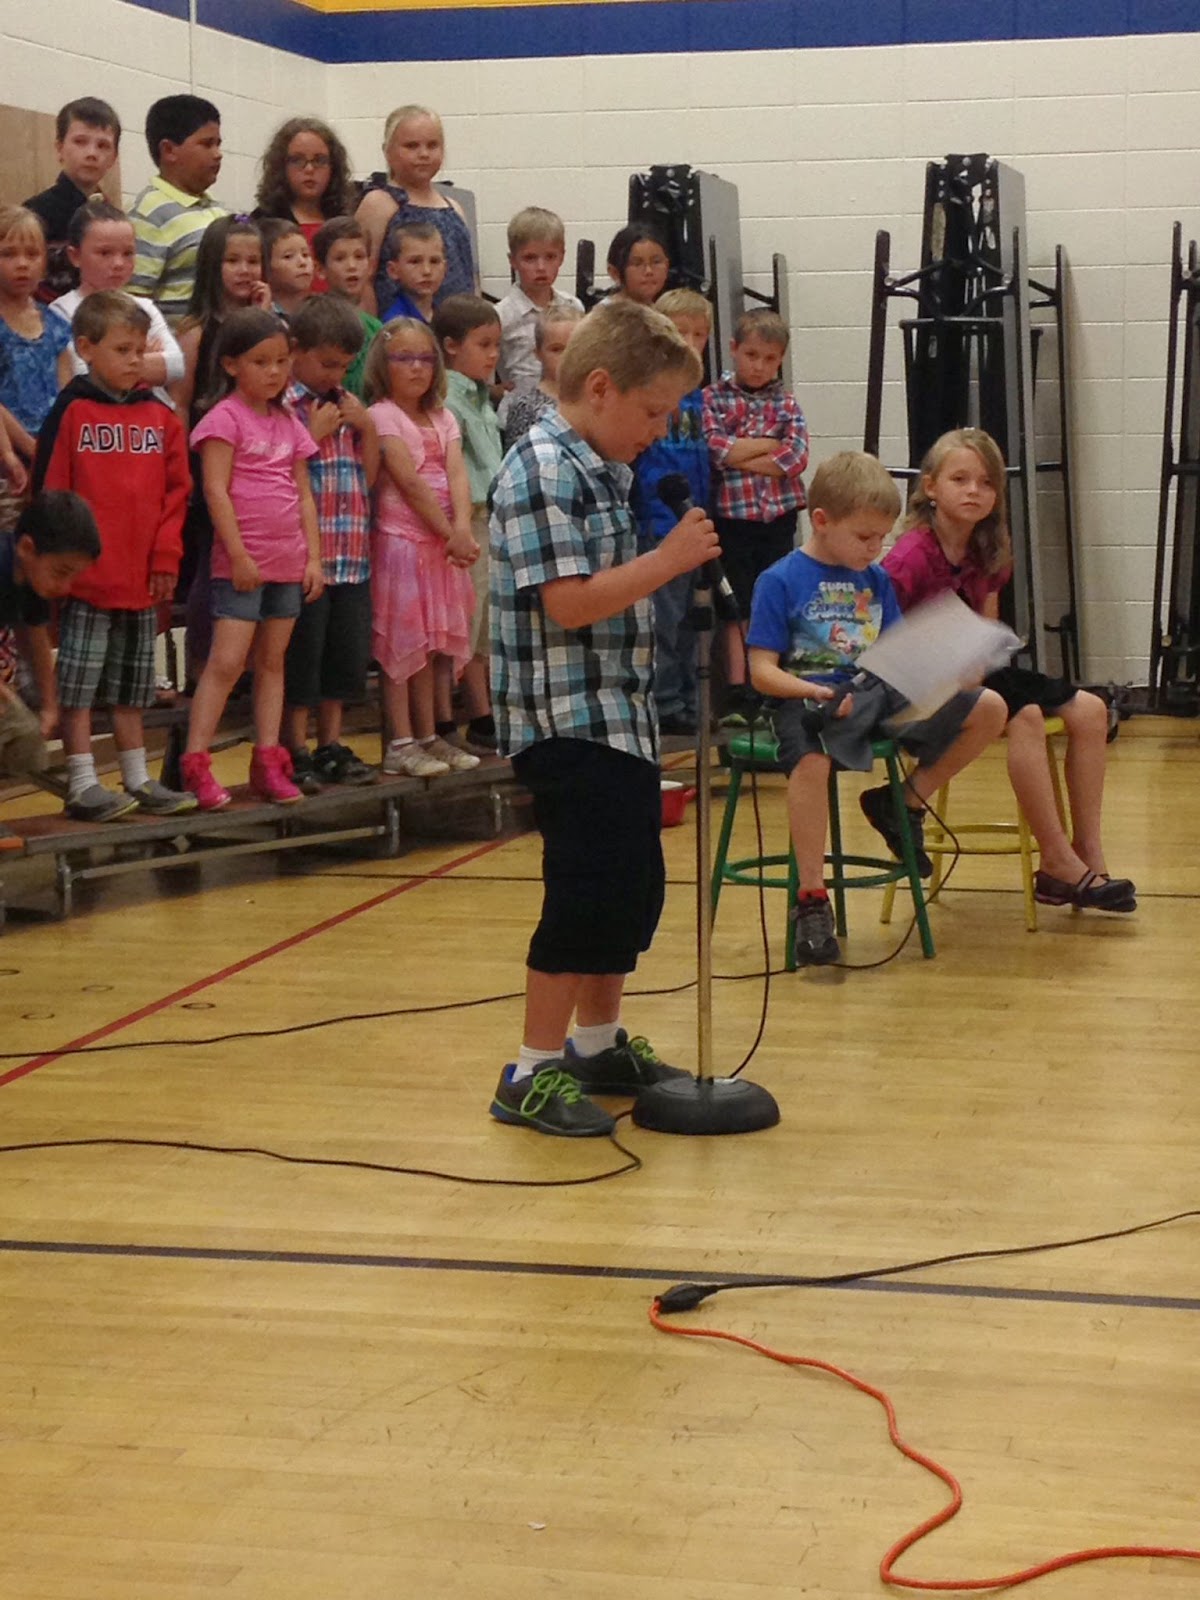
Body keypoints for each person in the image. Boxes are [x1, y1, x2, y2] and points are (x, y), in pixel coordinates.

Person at [488, 297, 720, 1136]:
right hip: (565, 718)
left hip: (617, 713)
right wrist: (668, 561)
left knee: (629, 884)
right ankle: (531, 1070)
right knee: (585, 889)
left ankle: (595, 1042)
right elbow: (570, 604)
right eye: (652, 412)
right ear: (598, 387)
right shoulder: (544, 467)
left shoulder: (600, 466)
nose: (658, 432)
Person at [746, 452, 1008, 966]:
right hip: (807, 697)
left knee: (989, 708)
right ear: (821, 521)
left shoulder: (875, 579)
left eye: (881, 537)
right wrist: (814, 691)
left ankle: (902, 801)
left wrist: (945, 663)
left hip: (874, 692)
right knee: (812, 759)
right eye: (864, 537)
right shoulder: (780, 580)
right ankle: (811, 897)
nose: (875, 549)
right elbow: (761, 671)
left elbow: (892, 654)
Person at [883, 426, 1136, 913]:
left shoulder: (987, 547)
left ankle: (1088, 853)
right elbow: (884, 636)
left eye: (986, 482)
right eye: (960, 479)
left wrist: (978, 658)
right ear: (930, 486)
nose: (974, 491)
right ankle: (1057, 861)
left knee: (1090, 711)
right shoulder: (910, 556)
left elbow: (987, 623)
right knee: (1028, 717)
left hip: (971, 669)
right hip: (921, 680)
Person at [33, 291, 195, 823]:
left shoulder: (160, 415)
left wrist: (166, 556)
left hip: (142, 578)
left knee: (132, 688)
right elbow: (51, 494)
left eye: (141, 350)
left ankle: (137, 777)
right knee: (79, 689)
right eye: (123, 350)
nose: (135, 361)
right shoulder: (72, 412)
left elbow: (177, 494)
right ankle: (82, 783)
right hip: (86, 582)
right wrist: (60, 568)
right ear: (86, 349)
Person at [180, 308, 322, 810]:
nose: (274, 371)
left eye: (282, 361)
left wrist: (313, 558)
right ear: (231, 364)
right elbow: (215, 491)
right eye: (261, 362)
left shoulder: (290, 422)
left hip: (288, 561)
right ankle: (196, 763)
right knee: (226, 662)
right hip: (244, 565)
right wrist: (238, 553)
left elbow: (303, 494)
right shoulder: (223, 419)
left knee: (272, 662)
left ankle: (267, 759)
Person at [363, 316, 477, 778]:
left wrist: (462, 527)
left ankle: (429, 735)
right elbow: (408, 483)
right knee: (401, 648)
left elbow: (457, 474)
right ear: (382, 364)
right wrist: (451, 534)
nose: (416, 367)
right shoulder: (381, 416)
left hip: (440, 547)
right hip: (403, 545)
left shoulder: (444, 417)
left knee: (430, 648)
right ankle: (401, 742)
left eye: (425, 358)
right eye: (404, 358)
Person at [281, 295, 379, 790]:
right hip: (308, 558)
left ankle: (331, 743)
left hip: (351, 554)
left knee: (344, 656)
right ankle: (294, 747)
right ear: (296, 350)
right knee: (304, 657)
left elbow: (369, 477)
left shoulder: (346, 404)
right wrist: (312, 435)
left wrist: (368, 428)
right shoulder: (286, 407)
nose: (334, 374)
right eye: (326, 363)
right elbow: (279, 473)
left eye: (343, 365)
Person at [702, 306, 809, 725]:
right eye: (751, 355)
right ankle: (738, 687)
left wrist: (740, 452)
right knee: (737, 602)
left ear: (780, 358)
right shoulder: (713, 398)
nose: (759, 366)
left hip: (777, 518)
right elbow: (715, 450)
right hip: (732, 518)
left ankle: (771, 685)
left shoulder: (787, 403)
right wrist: (767, 444)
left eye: (769, 358)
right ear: (733, 348)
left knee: (774, 600)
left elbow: (795, 458)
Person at [630, 287, 712, 734]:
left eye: (700, 335)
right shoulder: (650, 395)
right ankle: (663, 700)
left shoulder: (701, 399)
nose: (691, 343)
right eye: (682, 333)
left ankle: (689, 698)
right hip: (659, 523)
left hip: (696, 518)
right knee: (663, 617)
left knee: (691, 619)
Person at [0, 491, 100, 848]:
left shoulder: (29, 580)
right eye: (61, 573)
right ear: (27, 548)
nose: (64, 587)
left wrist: (50, 706)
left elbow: (37, 641)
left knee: (27, 742)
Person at [433, 293, 503, 754]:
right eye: (484, 345)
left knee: (483, 626)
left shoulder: (480, 396)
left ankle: (483, 714)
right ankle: (447, 719)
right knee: (461, 623)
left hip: (490, 518)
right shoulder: (447, 399)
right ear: (451, 346)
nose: (493, 355)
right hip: (465, 519)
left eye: (497, 345)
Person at [51, 199, 184, 396]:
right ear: (75, 256)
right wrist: (147, 357)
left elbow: (176, 366)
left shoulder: (144, 307)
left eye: (128, 253)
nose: (118, 263)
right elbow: (79, 373)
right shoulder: (61, 312)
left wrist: (111, 361)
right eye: (105, 253)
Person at [355, 105, 475, 317]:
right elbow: (364, 278)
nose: (423, 154)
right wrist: (372, 330)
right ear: (387, 151)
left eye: (432, 145)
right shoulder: (379, 204)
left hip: (457, 325)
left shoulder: (453, 207)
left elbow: (470, 277)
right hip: (399, 326)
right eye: (411, 146)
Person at [0, 206, 74, 513]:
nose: (22, 264)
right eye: (8, 254)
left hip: (52, 457)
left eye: (32, 254)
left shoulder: (56, 323)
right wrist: (24, 449)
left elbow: (68, 397)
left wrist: (57, 451)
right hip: (9, 460)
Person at [128, 95, 226, 327]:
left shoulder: (217, 209)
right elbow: (135, 302)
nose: (218, 153)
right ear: (169, 150)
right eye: (207, 144)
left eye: (218, 143)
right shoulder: (148, 214)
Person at [23, 96, 121, 304]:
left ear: (113, 158)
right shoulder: (34, 213)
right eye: (80, 142)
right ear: (60, 148)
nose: (92, 153)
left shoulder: (114, 217)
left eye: (103, 145)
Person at [252, 116, 354, 293]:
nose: (309, 169)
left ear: (333, 166)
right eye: (297, 160)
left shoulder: (343, 219)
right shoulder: (263, 222)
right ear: (281, 166)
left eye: (319, 160)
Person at [496, 206, 582, 395]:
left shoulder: (573, 307)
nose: (541, 267)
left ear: (562, 257)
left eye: (550, 257)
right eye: (530, 258)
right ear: (513, 260)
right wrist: (495, 391)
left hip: (566, 401)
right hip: (521, 405)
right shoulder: (501, 315)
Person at [311, 216, 381, 398]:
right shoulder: (314, 321)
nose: (351, 266)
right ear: (320, 269)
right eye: (340, 258)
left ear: (370, 266)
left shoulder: (377, 329)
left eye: (359, 257)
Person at [502, 302, 582, 451]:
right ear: (538, 353)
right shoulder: (526, 407)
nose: (567, 357)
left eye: (574, 348)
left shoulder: (593, 400)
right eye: (556, 349)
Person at [378, 220, 446, 325]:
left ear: (445, 268)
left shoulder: (444, 316)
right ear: (393, 270)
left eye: (434, 261)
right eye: (415, 262)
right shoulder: (396, 323)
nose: (427, 271)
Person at [258, 217, 314, 322]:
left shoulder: (322, 309)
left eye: (305, 254)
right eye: (288, 256)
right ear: (265, 266)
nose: (302, 262)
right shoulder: (261, 312)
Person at [606, 223, 670, 306]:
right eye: (637, 264)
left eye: (656, 262)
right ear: (615, 273)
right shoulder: (606, 312)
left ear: (667, 266)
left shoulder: (667, 310)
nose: (649, 271)